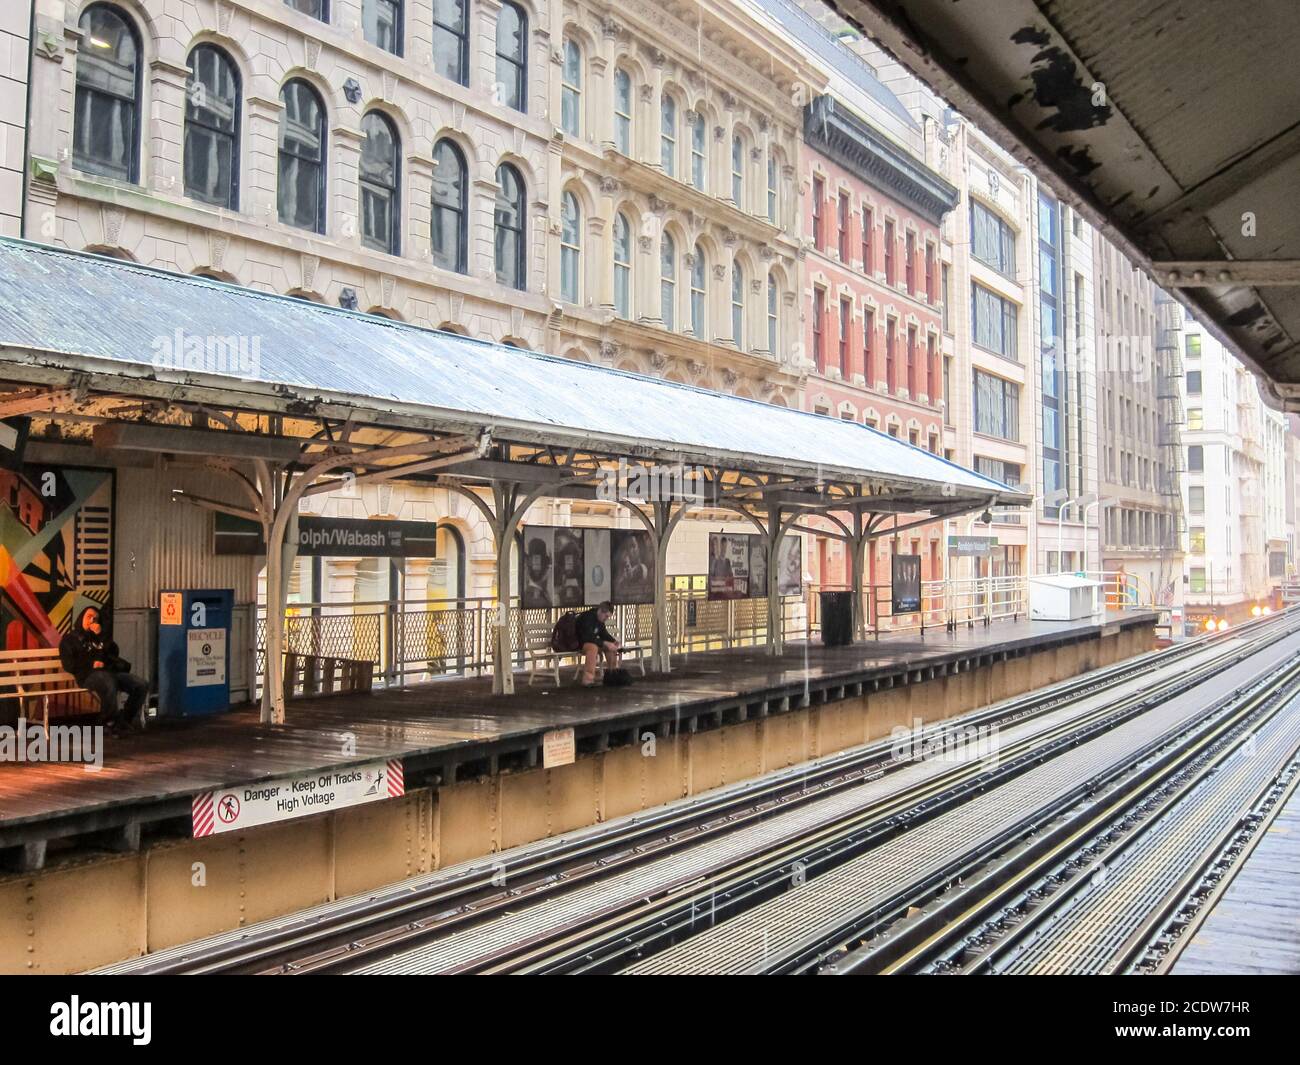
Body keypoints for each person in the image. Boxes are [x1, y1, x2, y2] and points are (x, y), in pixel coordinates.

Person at [58, 606, 149, 733]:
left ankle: (124, 720)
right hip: (87, 675)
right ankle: (108, 721)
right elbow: (69, 665)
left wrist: (101, 635)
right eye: (89, 617)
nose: (92, 621)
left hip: (110, 672)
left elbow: (114, 651)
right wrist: (92, 664)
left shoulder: (98, 636)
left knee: (141, 685)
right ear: (81, 618)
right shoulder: (70, 639)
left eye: (95, 618)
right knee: (108, 681)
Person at [575, 601, 620, 687]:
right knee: (593, 648)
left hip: (591, 642)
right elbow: (587, 637)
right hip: (579, 643)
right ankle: (588, 679)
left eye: (608, 617)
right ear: (600, 611)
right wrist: (604, 643)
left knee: (610, 647)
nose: (606, 619)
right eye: (606, 616)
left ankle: (613, 674)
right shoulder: (587, 617)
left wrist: (613, 641)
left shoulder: (600, 619)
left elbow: (603, 633)